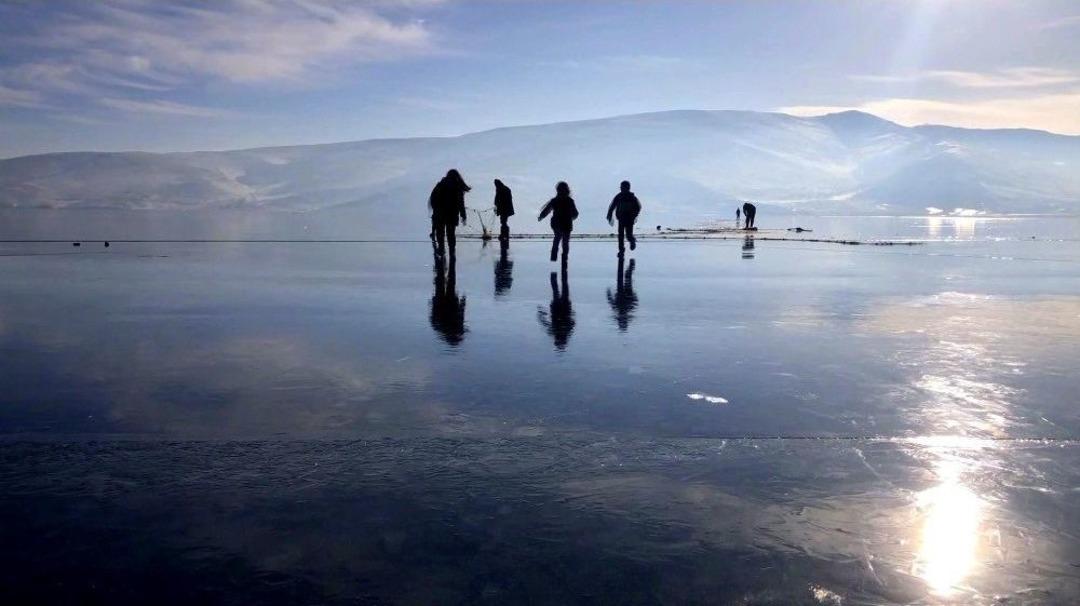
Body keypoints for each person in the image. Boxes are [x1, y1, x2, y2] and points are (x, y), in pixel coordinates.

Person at [428, 169, 470, 257]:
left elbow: (433, 199)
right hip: (452, 214)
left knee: (440, 233)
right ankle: (452, 251)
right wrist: (463, 214)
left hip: (439, 214)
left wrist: (436, 210)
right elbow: (460, 203)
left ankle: (441, 248)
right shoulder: (458, 187)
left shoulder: (440, 185)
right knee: (451, 233)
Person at [537, 181, 579, 264]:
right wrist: (572, 218)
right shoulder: (570, 201)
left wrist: (541, 216)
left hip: (557, 223)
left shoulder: (555, 200)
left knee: (557, 238)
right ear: (567, 190)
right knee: (565, 242)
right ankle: (564, 259)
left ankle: (553, 258)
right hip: (566, 223)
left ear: (557, 190)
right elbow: (576, 213)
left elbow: (546, 210)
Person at [429, 255, 466, 346]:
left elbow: (433, 316)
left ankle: (444, 260)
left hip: (445, 303)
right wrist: (462, 303)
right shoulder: (440, 327)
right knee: (447, 282)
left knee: (447, 282)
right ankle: (447, 259)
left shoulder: (439, 327)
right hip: (449, 303)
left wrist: (462, 302)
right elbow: (460, 314)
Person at [538, 266, 574, 350]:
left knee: (563, 288)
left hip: (561, 308)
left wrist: (541, 313)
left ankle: (555, 272)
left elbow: (573, 322)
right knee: (557, 290)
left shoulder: (562, 331)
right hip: (560, 308)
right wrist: (541, 312)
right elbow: (544, 321)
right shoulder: (561, 332)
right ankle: (555, 273)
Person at [606, 180, 641, 256]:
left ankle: (632, 241)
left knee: (629, 235)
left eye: (623, 187)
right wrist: (610, 212)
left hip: (629, 219)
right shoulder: (619, 196)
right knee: (620, 235)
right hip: (621, 218)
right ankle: (621, 250)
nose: (621, 188)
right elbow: (613, 205)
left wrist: (634, 214)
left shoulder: (632, 197)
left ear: (628, 188)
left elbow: (638, 207)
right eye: (621, 187)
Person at [606, 257, 637, 332]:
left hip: (623, 293)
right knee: (627, 277)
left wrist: (609, 294)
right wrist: (609, 294)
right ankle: (631, 265)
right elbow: (634, 302)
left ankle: (631, 265)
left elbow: (611, 301)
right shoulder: (626, 311)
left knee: (627, 277)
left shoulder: (621, 310)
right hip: (625, 293)